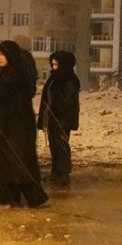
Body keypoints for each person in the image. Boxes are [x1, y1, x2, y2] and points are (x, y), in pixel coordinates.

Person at [0, 40, 48, 208]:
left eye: (1, 54)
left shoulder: (15, 73)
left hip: (17, 125)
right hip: (8, 124)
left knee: (20, 161)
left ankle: (33, 197)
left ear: (10, 55)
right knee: (7, 161)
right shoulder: (6, 72)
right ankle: (9, 195)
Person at [39, 50, 81, 189]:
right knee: (54, 146)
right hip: (53, 118)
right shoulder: (54, 78)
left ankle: (64, 174)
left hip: (63, 120)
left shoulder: (69, 81)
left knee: (62, 146)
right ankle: (56, 172)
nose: (54, 68)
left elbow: (67, 102)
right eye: (53, 65)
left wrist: (55, 110)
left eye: (56, 65)